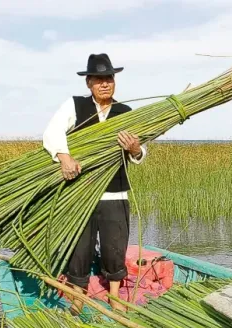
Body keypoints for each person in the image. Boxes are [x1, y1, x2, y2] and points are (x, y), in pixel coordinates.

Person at [42, 53, 146, 312]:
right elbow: (52, 132)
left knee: (115, 245)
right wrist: (65, 158)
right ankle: (78, 295)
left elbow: (140, 153)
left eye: (109, 78)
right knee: (79, 246)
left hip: (115, 192)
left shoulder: (125, 112)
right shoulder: (75, 106)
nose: (105, 83)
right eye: (99, 79)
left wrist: (134, 149)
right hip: (80, 192)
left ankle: (115, 297)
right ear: (88, 82)